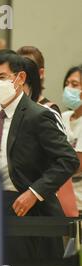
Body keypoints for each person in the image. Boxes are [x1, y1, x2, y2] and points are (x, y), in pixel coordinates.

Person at [0, 49, 79, 266]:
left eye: (1, 76)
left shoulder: (39, 115)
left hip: (26, 209)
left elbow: (67, 160)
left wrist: (34, 192)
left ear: (20, 77)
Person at [61, 66, 82, 210]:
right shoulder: (63, 117)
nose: (68, 88)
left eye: (74, 85)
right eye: (67, 84)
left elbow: (77, 164)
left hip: (79, 197)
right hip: (59, 192)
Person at [17, 46, 61, 114]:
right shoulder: (11, 106)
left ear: (41, 73)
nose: (22, 77)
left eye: (28, 69)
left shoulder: (49, 109)